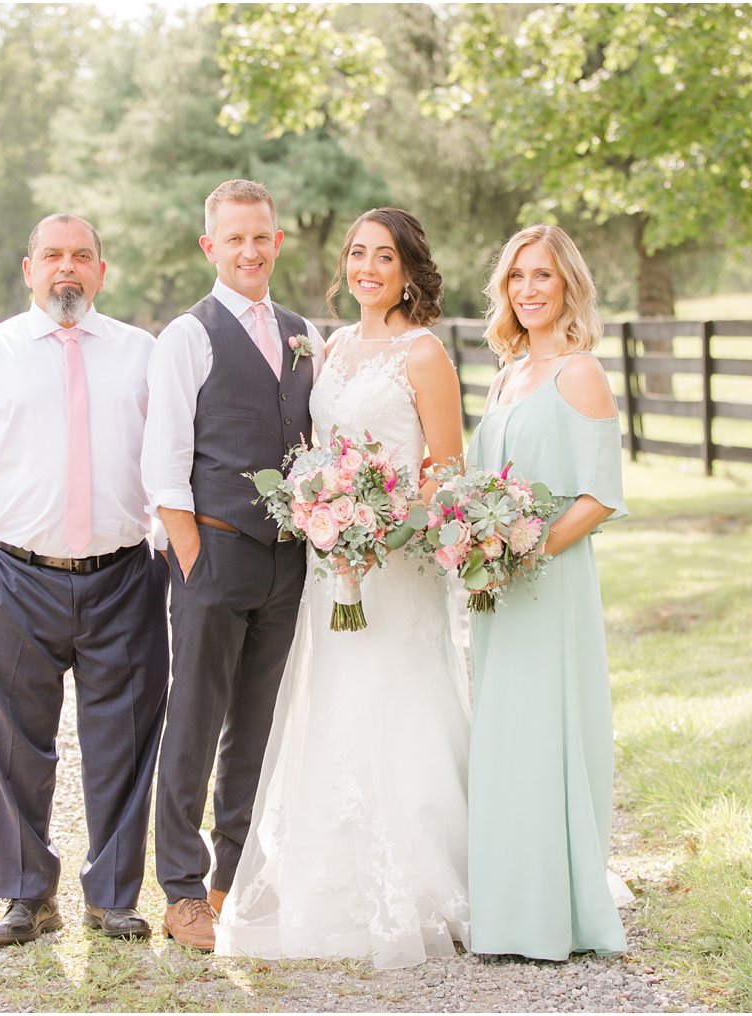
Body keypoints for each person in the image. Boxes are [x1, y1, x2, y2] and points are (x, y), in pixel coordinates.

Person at [214, 207, 472, 968]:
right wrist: (327, 517)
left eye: (383, 257)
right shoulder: (330, 349)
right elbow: (318, 454)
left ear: (408, 270)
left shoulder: (425, 356)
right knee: (332, 705)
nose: (367, 269)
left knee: (401, 700)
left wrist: (382, 529)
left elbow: (447, 475)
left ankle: (425, 881)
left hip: (396, 567)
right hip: (334, 569)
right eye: (357, 254)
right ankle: (329, 882)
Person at [0, 213, 169, 946]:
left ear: (101, 270)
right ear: (28, 268)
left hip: (124, 574)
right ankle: (28, 895)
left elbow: (170, 459)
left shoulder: (142, 353)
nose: (68, 268)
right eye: (53, 255)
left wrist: (158, 549)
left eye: (82, 256)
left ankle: (115, 895)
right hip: (15, 577)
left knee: (123, 740)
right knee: (16, 745)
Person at [142, 179, 326, 951]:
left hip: (289, 565)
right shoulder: (189, 335)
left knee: (256, 724)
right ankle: (181, 887)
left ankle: (234, 875)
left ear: (277, 242)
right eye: (234, 238)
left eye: (262, 236)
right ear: (209, 246)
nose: (250, 250)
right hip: (213, 552)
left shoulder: (302, 330)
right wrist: (194, 561)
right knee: (195, 718)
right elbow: (163, 466)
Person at [465, 224, 631, 960]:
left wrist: (524, 552)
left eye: (543, 277)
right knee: (503, 739)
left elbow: (598, 496)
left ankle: (555, 915)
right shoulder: (506, 375)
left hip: (549, 584)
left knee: (546, 734)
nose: (528, 290)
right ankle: (507, 908)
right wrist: (476, 548)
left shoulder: (580, 372)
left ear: (568, 287)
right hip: (497, 588)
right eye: (517, 277)